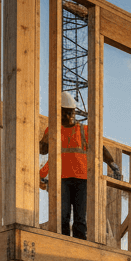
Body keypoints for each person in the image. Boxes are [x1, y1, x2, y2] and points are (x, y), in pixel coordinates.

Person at [39, 91, 120, 239]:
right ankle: (62, 243)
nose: (68, 116)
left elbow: (101, 149)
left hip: (82, 179)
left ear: (73, 113)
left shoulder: (85, 130)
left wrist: (113, 164)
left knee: (80, 217)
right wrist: (46, 138)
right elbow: (42, 151)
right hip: (61, 178)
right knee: (62, 216)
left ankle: (79, 243)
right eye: (65, 113)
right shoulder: (53, 130)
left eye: (70, 113)